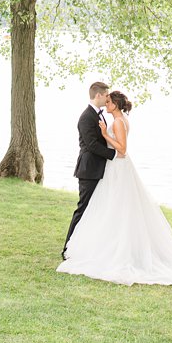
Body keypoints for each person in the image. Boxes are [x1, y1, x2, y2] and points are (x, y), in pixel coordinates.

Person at [57, 89, 172, 287]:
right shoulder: (116, 119)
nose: (107, 104)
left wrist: (104, 135)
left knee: (115, 207)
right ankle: (103, 245)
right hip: (114, 167)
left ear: (115, 104)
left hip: (118, 165)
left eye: (109, 101)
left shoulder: (118, 121)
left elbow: (122, 149)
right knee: (110, 207)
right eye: (106, 100)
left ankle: (113, 250)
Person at [63, 79, 116, 259]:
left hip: (99, 168)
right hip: (89, 169)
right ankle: (67, 248)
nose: (107, 98)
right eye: (106, 95)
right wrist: (114, 155)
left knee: (97, 209)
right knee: (83, 208)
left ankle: (88, 246)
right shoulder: (86, 117)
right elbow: (92, 145)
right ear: (98, 95)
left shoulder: (100, 114)